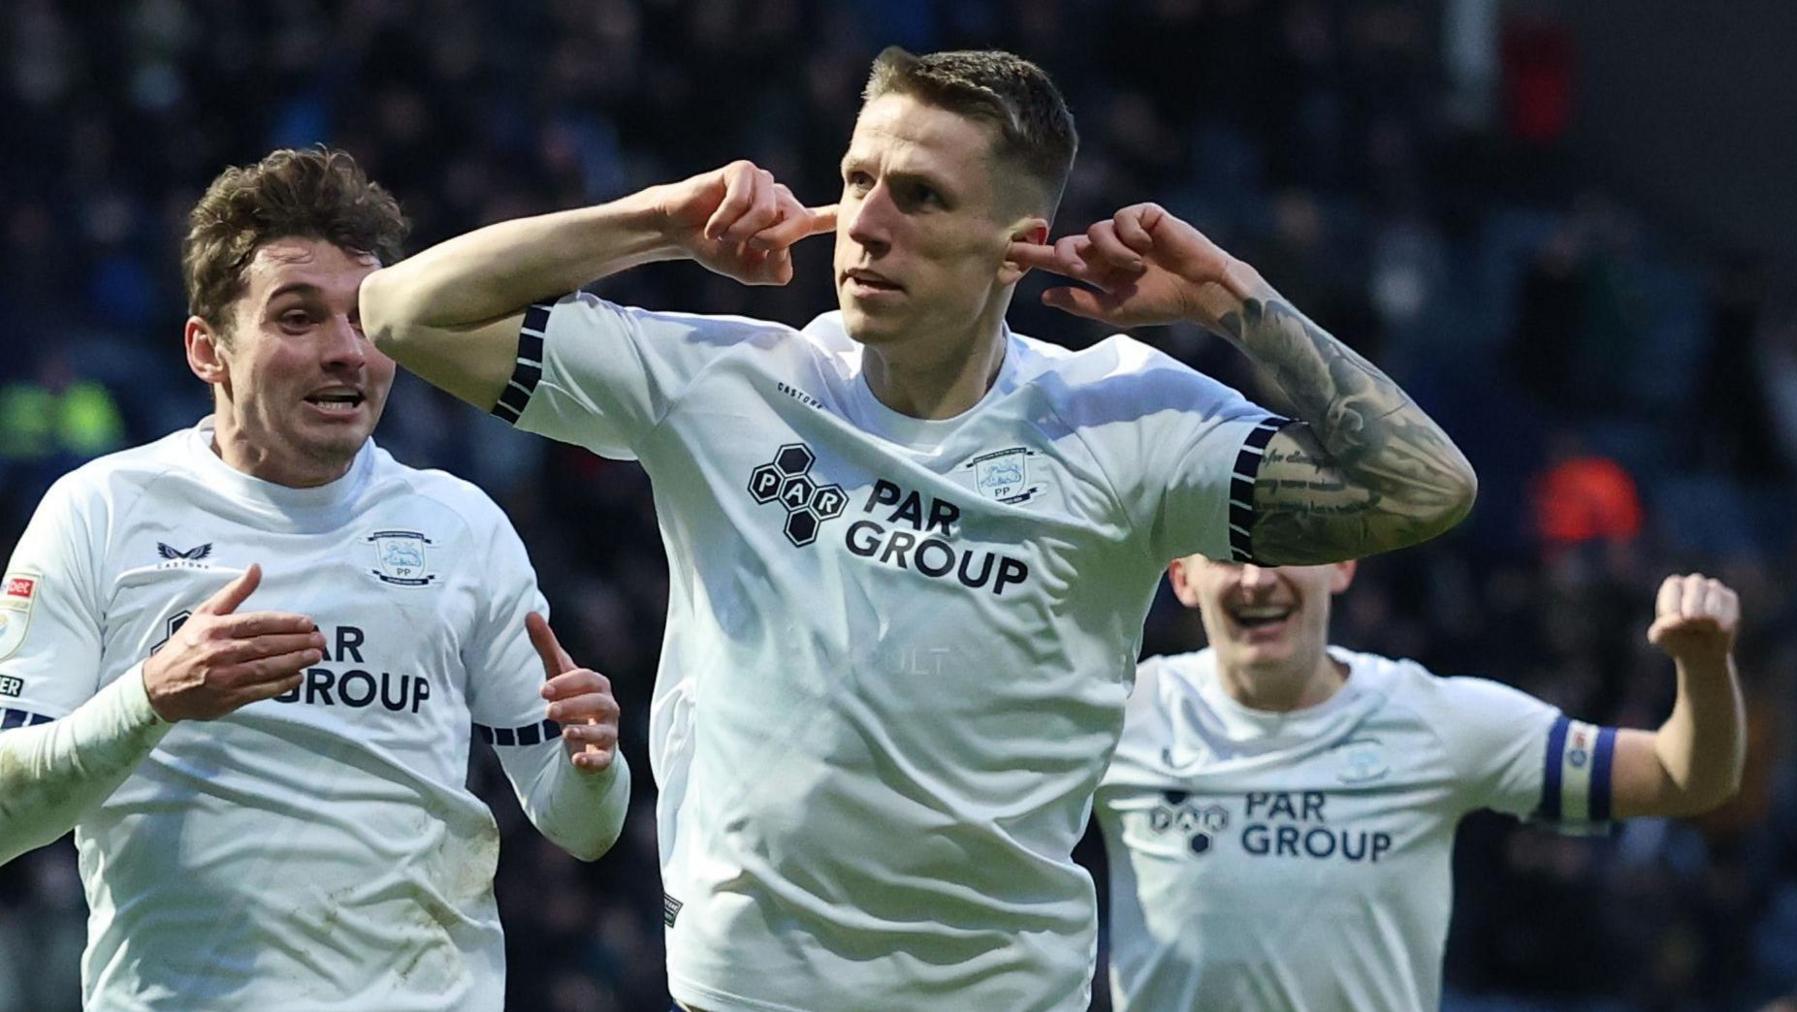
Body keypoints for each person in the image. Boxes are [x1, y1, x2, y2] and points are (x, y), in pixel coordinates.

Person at [359, 47, 1476, 1010]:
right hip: (747, 985)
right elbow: (402, 311)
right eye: (857, 179)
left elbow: (1425, 489)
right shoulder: (728, 382)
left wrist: (1230, 296)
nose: (868, 225)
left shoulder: (1124, 419)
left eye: (922, 198)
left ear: (1017, 244)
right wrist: (655, 224)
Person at [0, 147, 631, 1010]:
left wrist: (597, 766)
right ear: (205, 349)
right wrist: (150, 697)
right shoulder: (100, 513)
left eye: (366, 322)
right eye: (298, 319)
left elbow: (580, 827)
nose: (347, 354)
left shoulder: (462, 527)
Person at [1097, 560, 1746, 1010]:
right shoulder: (1119, 715)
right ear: (1183, 577)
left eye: (1289, 549)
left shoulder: (1434, 719)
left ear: (1342, 564)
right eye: (1228, 555)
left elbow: (1683, 779)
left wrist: (1706, 667)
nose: (1258, 577)